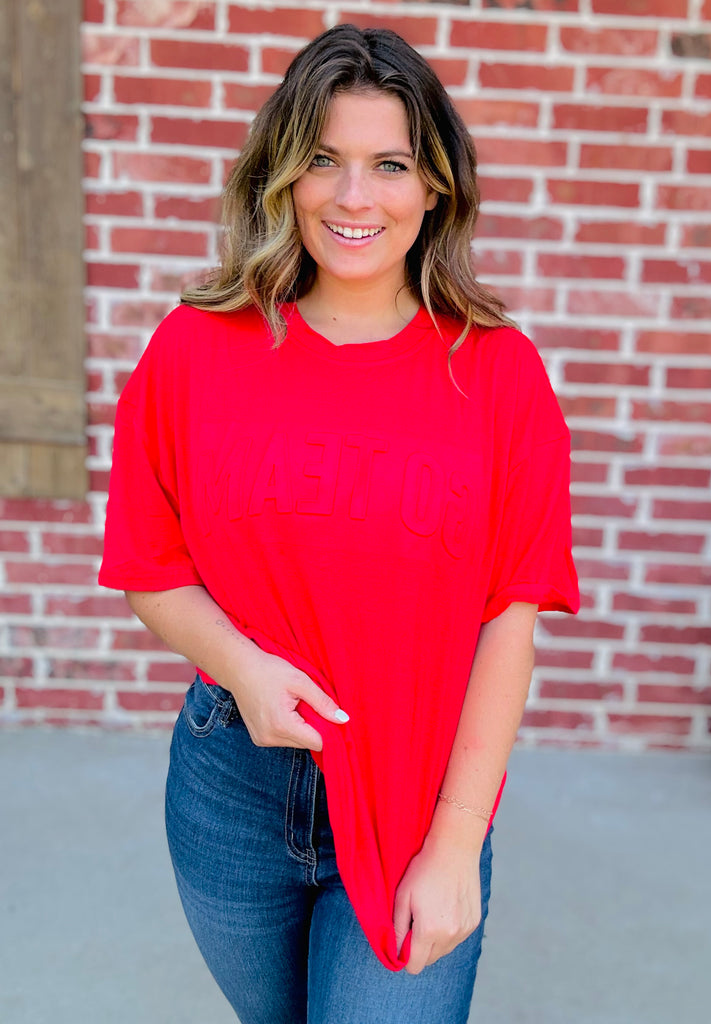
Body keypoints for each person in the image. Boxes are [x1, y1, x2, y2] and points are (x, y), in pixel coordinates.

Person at [98, 23, 579, 1024]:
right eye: (323, 159)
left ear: (436, 185)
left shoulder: (498, 376)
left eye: (389, 164)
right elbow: (149, 564)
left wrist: (454, 845)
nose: (353, 197)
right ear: (283, 173)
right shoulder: (196, 349)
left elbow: (511, 621)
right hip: (232, 777)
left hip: (414, 791)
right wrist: (242, 665)